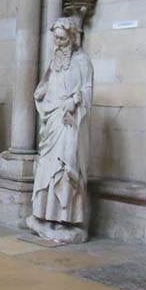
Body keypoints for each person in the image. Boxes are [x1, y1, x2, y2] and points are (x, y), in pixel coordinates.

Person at [27, 17, 93, 243]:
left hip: (69, 121)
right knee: (47, 167)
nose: (59, 42)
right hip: (51, 120)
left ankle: (65, 218)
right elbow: (47, 83)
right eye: (56, 38)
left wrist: (74, 101)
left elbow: (87, 90)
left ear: (72, 37)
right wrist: (41, 91)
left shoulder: (82, 60)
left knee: (65, 167)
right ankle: (45, 215)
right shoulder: (54, 60)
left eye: (63, 38)